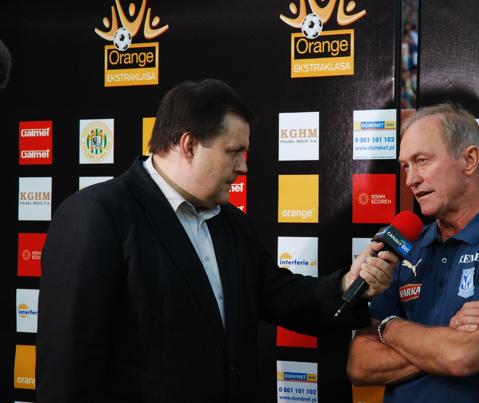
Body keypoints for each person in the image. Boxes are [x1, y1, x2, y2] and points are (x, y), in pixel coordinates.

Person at [36, 79, 399, 403]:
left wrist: (348, 284)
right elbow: (68, 368)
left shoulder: (231, 223)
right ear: (189, 145)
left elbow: (281, 296)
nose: (243, 167)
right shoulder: (97, 214)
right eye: (233, 151)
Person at [347, 103, 479, 402]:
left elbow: (462, 356)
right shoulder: (405, 245)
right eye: (406, 166)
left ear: (469, 160)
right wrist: (446, 336)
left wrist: (388, 327)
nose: (410, 179)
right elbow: (359, 365)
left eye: (422, 161)